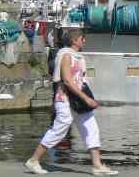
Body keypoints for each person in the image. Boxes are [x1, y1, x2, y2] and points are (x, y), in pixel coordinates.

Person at [24, 29, 118, 176]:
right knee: (59, 129)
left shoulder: (78, 57)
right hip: (65, 99)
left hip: (77, 100)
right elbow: (67, 80)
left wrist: (84, 97)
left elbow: (80, 80)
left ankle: (97, 165)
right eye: (82, 38)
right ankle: (34, 160)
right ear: (75, 41)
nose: (84, 41)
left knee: (91, 128)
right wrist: (86, 98)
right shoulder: (67, 56)